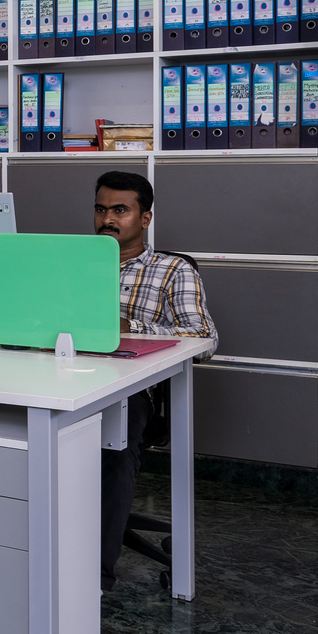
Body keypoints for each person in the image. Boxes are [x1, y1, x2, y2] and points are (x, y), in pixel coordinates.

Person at [93, 170, 216, 592]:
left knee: (112, 440)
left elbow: (204, 338)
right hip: (65, 372)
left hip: (128, 388)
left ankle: (94, 578)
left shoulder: (171, 270)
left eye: (120, 210)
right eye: (101, 209)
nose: (107, 219)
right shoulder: (72, 261)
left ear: (144, 218)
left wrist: (132, 326)